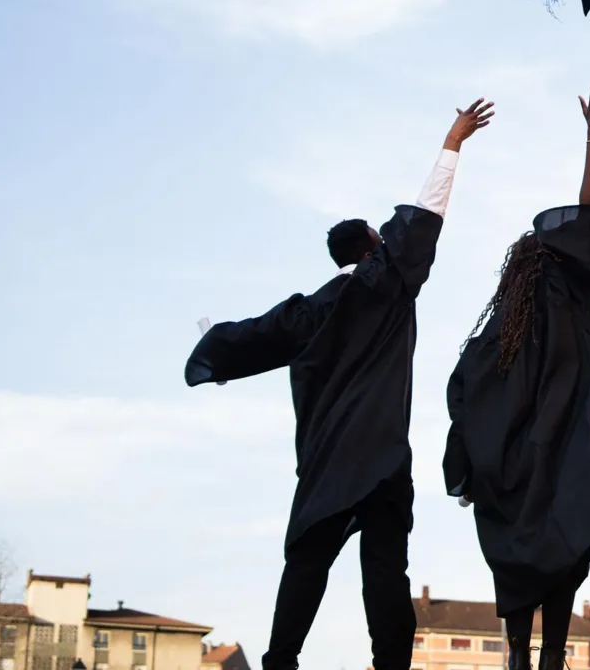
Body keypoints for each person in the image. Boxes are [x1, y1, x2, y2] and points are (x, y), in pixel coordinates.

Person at [184, 100, 495, 670]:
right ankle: (392, 665)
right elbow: (426, 214)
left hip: (326, 461)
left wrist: (214, 356)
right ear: (374, 245)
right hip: (380, 455)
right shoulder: (387, 283)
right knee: (385, 565)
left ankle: (280, 661)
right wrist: (453, 139)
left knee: (306, 560)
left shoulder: (305, 312)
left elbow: (242, 338)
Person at [442, 84, 590, 670]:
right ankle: (548, 656)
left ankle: (519, 653)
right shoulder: (577, 322)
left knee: (517, 560)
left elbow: (462, 401)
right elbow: (589, 214)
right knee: (565, 550)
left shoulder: (496, 341)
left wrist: (463, 469)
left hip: (510, 479)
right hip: (570, 470)